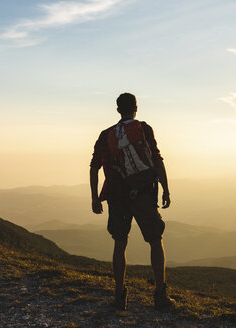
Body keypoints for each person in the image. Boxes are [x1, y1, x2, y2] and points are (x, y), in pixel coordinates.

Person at [89, 92, 175, 311]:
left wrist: (95, 196)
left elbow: (94, 166)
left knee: (120, 243)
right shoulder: (143, 129)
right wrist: (165, 189)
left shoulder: (105, 135)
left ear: (118, 110)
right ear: (136, 108)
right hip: (143, 193)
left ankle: (119, 296)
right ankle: (160, 295)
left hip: (117, 196)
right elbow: (156, 159)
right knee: (155, 240)